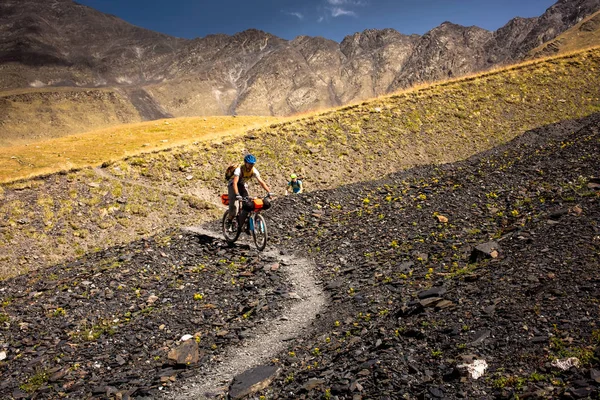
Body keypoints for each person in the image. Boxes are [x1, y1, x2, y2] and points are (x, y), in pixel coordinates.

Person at [226, 154, 272, 231]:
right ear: (245, 163)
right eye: (250, 163)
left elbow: (261, 182)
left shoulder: (254, 170)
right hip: (233, 186)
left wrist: (269, 192)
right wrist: (237, 194)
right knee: (234, 207)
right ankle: (229, 221)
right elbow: (235, 183)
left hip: (243, 185)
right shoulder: (239, 170)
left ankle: (245, 223)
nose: (251, 165)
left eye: (253, 164)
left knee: (248, 204)